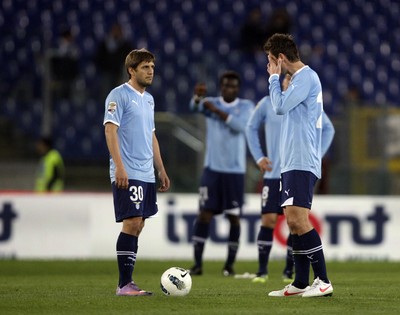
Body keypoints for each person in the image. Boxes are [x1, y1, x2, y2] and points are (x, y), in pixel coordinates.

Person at [244, 74, 335, 284]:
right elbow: (250, 127)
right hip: (274, 171)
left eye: (293, 79)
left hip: (297, 167)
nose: (290, 82)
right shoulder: (269, 103)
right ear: (283, 82)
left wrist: (316, 153)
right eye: (288, 79)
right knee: (270, 219)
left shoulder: (303, 102)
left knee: (293, 221)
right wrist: (258, 156)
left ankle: (291, 271)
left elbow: (328, 128)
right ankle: (263, 271)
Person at [264, 34, 334, 297]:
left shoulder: (305, 77)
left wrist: (273, 78)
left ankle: (324, 280)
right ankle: (301, 282)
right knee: (292, 221)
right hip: (293, 159)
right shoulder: (300, 81)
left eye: (271, 60)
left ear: (280, 58)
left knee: (299, 220)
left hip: (302, 159)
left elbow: (279, 107)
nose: (269, 66)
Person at [103, 48, 170, 296]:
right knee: (131, 222)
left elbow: (151, 135)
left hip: (146, 173)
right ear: (132, 70)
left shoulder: (149, 99)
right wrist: (119, 166)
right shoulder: (118, 95)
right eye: (145, 67)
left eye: (152, 66)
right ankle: (124, 284)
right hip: (128, 171)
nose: (151, 71)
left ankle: (127, 282)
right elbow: (110, 130)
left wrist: (160, 168)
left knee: (138, 224)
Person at [188, 71, 255, 276]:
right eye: (226, 86)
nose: (229, 89)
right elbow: (194, 107)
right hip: (212, 170)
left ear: (238, 88)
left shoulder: (246, 106)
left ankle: (229, 265)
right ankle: (197, 264)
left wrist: (215, 110)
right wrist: (198, 97)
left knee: (234, 217)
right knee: (204, 214)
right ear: (221, 86)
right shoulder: (211, 102)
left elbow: (241, 127)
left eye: (233, 86)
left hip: (235, 171)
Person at [94, 23, 133, 101]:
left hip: (120, 73)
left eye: (119, 31)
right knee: (106, 94)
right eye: (115, 30)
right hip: (107, 73)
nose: (117, 33)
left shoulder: (125, 45)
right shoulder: (105, 44)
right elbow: (98, 58)